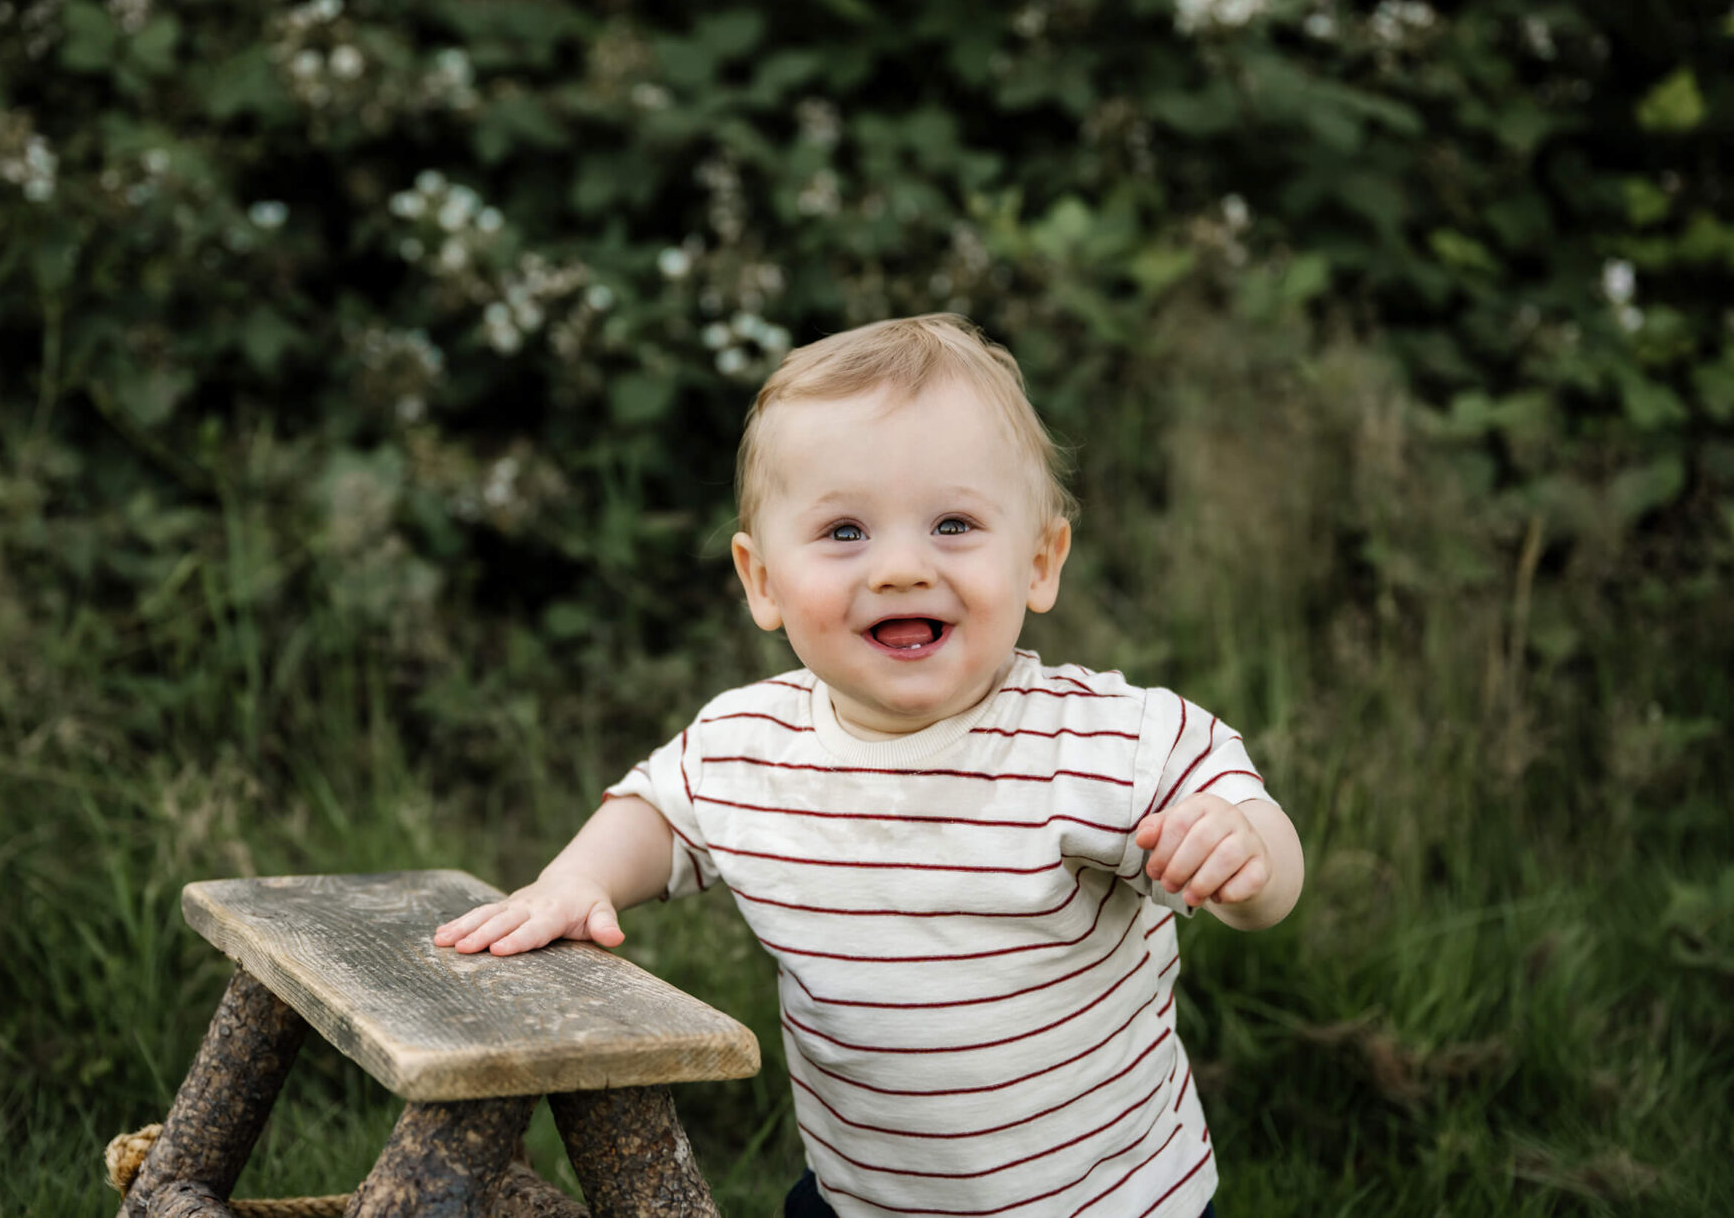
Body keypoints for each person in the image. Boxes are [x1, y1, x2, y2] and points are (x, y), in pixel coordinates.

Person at [434, 313, 1304, 1217]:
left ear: (1040, 561)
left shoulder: (1098, 742)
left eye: (954, 523)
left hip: (1106, 1198)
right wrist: (578, 876)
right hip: (864, 1199)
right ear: (763, 579)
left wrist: (1245, 854)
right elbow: (658, 809)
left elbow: (1257, 850)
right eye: (845, 531)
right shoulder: (749, 745)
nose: (898, 567)